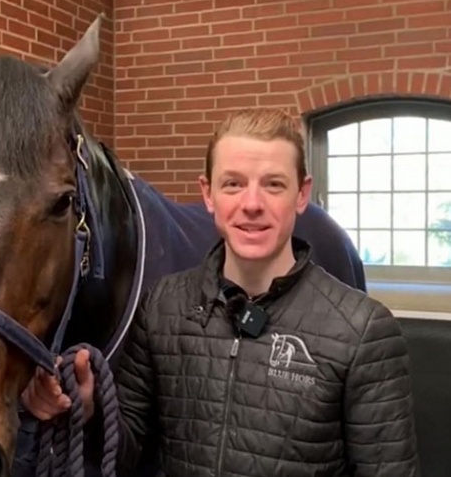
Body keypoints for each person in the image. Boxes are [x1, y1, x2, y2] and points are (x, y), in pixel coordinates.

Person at [21, 108, 420, 476]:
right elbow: (129, 455)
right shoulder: (162, 308)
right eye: (233, 184)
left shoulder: (363, 331)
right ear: (208, 193)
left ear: (301, 195)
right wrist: (90, 409)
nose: (251, 204)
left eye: (273, 185)